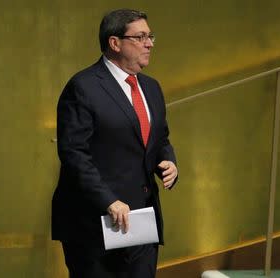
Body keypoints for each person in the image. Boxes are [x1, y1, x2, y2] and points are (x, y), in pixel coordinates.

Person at [51, 8, 178, 278]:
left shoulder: (152, 88)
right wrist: (109, 201)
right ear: (115, 42)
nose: (150, 43)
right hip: (93, 225)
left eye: (150, 36)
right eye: (141, 36)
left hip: (142, 222)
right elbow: (74, 153)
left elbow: (160, 138)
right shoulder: (83, 86)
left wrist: (168, 161)